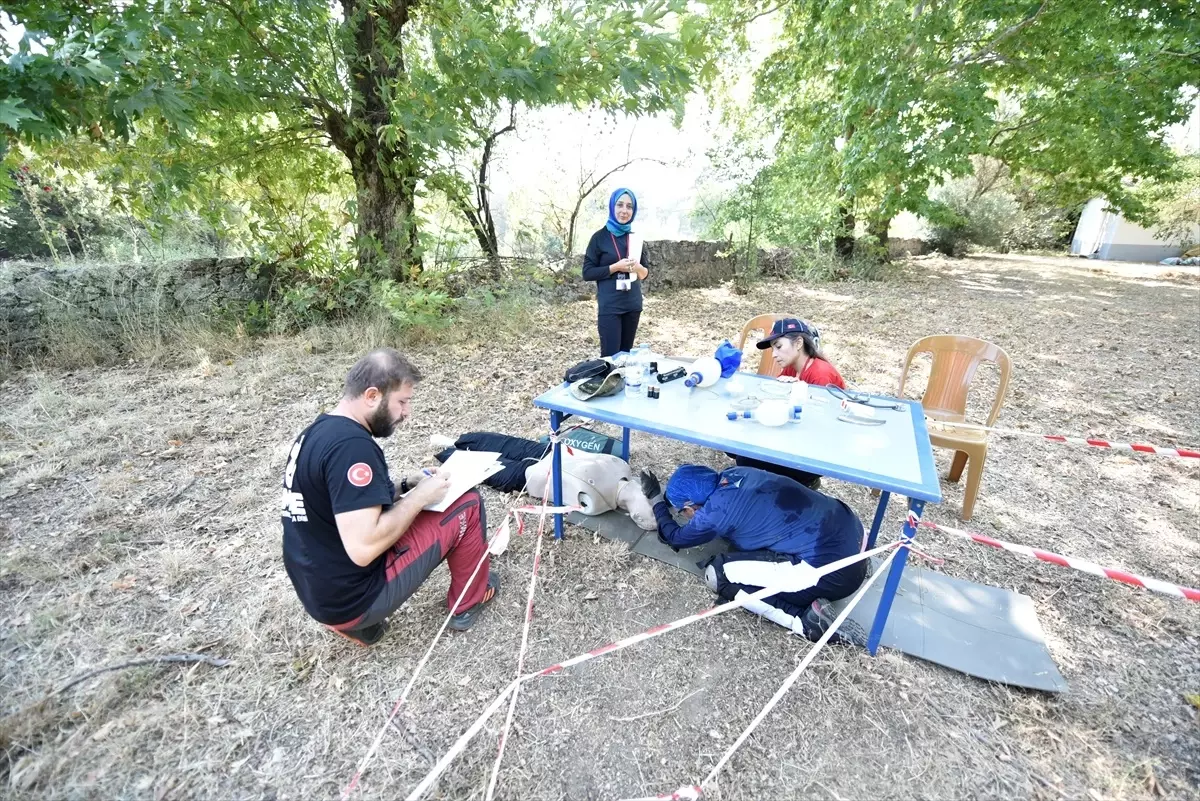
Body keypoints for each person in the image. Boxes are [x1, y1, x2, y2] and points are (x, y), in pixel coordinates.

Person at [281, 349, 499, 646]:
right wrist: (420, 498)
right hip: (355, 599)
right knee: (468, 503)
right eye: (402, 402)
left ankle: (355, 625)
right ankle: (469, 601)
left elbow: (344, 503)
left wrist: (407, 485)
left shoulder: (317, 433)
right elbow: (363, 546)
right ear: (372, 395)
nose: (406, 413)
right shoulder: (352, 448)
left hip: (319, 593)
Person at [641, 464, 869, 645]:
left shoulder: (714, 513)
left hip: (833, 573)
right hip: (855, 538)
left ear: (691, 507)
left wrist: (655, 499)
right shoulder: (735, 474)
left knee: (718, 574)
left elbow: (674, 537)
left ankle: (805, 622)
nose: (686, 517)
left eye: (684, 512)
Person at [431, 431, 656, 530]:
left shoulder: (599, 502)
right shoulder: (620, 468)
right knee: (490, 442)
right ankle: (454, 443)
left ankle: (449, 449)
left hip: (530, 474)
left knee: (483, 462)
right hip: (545, 455)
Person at [733, 318, 847, 489]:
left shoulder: (820, 374)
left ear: (799, 342)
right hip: (798, 436)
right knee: (737, 447)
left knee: (746, 458)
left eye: (778, 346)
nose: (773, 354)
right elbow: (776, 399)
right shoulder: (792, 366)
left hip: (817, 450)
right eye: (773, 348)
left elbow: (816, 423)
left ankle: (803, 482)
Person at [582, 188, 650, 357]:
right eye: (620, 205)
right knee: (611, 359)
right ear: (612, 207)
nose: (624, 211)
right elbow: (587, 272)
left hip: (632, 305)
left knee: (626, 358)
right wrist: (616, 267)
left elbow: (644, 274)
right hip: (610, 307)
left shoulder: (636, 238)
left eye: (629, 206)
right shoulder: (599, 238)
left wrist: (637, 267)